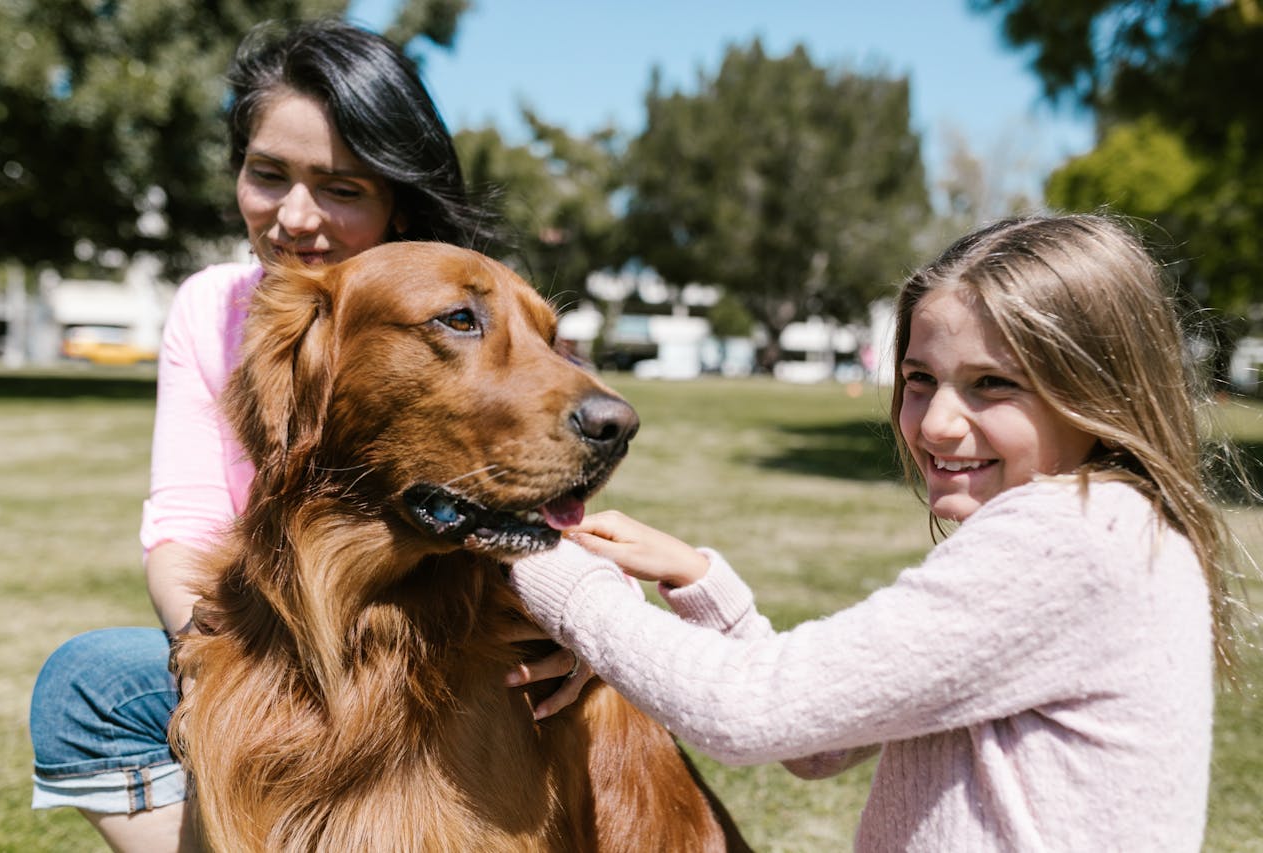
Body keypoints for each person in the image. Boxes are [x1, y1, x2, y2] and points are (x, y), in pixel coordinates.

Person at [507, 214, 1248, 851]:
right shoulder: (1116, 529)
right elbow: (818, 743)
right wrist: (703, 584)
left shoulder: (1073, 540)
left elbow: (748, 712)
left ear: (1098, 390)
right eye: (920, 378)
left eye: (994, 383)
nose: (935, 422)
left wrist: (548, 566)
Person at [29, 19, 587, 853]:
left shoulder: (478, 311)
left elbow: (549, 507)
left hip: (437, 653)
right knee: (91, 680)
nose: (294, 218)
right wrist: (221, 674)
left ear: (396, 196)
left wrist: (589, 632)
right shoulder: (212, 306)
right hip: (270, 629)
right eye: (268, 175)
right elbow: (182, 529)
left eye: (342, 187)